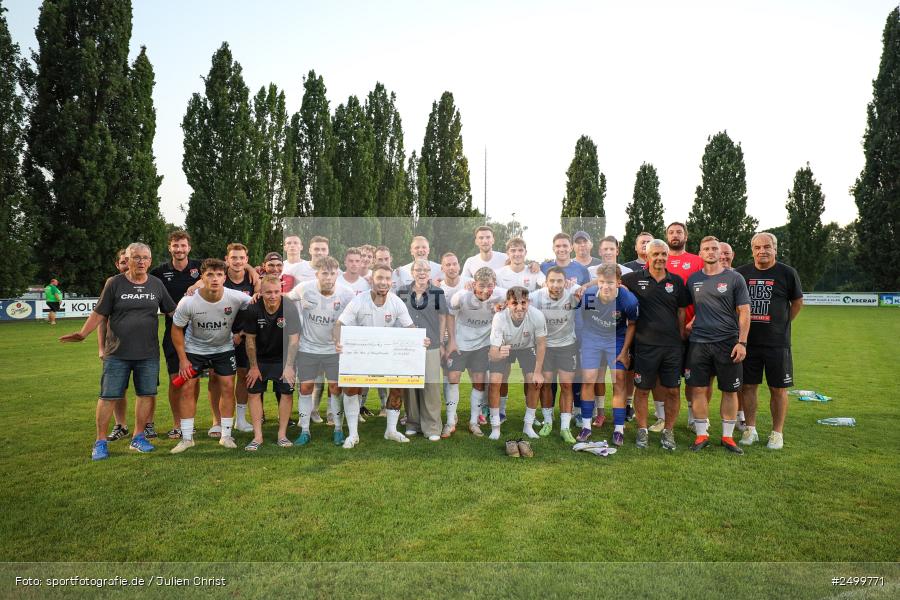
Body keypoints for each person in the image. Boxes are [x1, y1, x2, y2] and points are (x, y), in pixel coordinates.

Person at [60, 242, 176, 460]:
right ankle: (100, 442)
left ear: (150, 261)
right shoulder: (114, 283)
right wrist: (83, 333)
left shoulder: (156, 284)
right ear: (128, 260)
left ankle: (138, 437)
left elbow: (173, 312)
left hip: (148, 353)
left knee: (146, 395)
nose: (141, 261)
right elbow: (99, 314)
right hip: (117, 353)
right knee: (108, 397)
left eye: (145, 258)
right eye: (136, 257)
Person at [169, 258, 252, 454]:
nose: (215, 279)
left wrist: (240, 333)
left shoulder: (237, 297)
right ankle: (187, 439)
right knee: (187, 389)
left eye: (219, 275)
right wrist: (183, 359)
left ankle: (226, 436)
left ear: (224, 278)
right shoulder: (189, 301)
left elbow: (258, 307)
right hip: (194, 350)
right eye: (210, 275)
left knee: (228, 387)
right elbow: (176, 329)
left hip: (223, 348)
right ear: (202, 277)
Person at [336, 265, 417, 446]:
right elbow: (339, 324)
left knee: (397, 388)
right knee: (351, 389)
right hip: (361, 354)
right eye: (380, 278)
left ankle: (391, 430)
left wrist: (420, 340)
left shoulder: (396, 302)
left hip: (386, 354)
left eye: (387, 278)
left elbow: (410, 328)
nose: (384, 282)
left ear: (391, 282)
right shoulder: (359, 300)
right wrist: (337, 341)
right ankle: (353, 434)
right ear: (372, 280)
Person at [736, 232, 803, 450]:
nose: (762, 251)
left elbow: (797, 302)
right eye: (757, 247)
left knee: (778, 388)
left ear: (775, 249)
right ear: (752, 250)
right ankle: (750, 429)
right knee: (748, 386)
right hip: (748, 342)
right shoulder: (741, 273)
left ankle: (777, 433)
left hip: (777, 343)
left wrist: (782, 323)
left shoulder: (787, 273)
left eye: (767, 247)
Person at [684, 236, 751, 454]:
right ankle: (701, 434)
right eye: (707, 249)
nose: (711, 252)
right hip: (698, 343)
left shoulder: (734, 278)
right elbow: (694, 308)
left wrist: (742, 342)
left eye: (715, 248)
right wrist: (689, 325)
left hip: (727, 343)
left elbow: (744, 311)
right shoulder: (693, 280)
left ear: (720, 252)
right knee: (698, 389)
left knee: (729, 390)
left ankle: (727, 437)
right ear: (700, 254)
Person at [622, 240, 689, 450]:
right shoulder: (633, 279)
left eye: (663, 254)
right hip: (644, 346)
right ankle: (642, 430)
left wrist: (680, 335)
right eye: (656, 254)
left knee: (673, 391)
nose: (660, 258)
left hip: (671, 347)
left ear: (668, 256)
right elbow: (610, 280)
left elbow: (681, 311)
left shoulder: (676, 281)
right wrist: (585, 287)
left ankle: (668, 431)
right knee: (642, 390)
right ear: (647, 256)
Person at [286, 256, 355, 446]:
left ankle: (338, 429)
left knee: (335, 388)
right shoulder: (304, 288)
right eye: (324, 273)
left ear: (337, 274)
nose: (328, 277)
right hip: (308, 348)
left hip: (334, 350)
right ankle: (305, 431)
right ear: (317, 274)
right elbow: (285, 299)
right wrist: (261, 297)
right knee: (305, 388)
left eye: (332, 273)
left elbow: (357, 316)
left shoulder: (347, 294)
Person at [576, 264, 638, 446]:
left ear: (618, 282)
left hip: (616, 339)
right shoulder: (589, 295)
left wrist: (624, 351)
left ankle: (618, 429)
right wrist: (585, 344)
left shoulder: (628, 300)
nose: (605, 286)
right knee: (589, 379)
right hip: (592, 337)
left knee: (619, 380)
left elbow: (632, 325)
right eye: (602, 282)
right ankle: (586, 426)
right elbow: (582, 320)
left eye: (610, 282)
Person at [150, 230, 203, 440]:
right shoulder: (159, 272)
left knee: (194, 380)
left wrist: (197, 284)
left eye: (183, 245)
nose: (179, 249)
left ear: (189, 247)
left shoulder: (200, 267)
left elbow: (228, 267)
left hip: (199, 333)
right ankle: (177, 424)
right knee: (176, 380)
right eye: (175, 245)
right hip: (173, 332)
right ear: (169, 247)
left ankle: (190, 422)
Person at [446, 267, 508, 437]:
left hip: (482, 344)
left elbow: (521, 298)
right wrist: (451, 341)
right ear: (474, 284)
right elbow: (450, 316)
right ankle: (450, 421)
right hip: (460, 342)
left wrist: (506, 305)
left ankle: (474, 422)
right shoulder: (461, 296)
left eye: (490, 286)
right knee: (453, 378)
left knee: (479, 382)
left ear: (495, 284)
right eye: (481, 285)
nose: (485, 290)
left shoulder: (502, 294)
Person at [243, 275, 301, 450]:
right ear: (261, 292)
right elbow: (250, 340)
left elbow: (294, 340)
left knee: (286, 394)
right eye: (268, 292)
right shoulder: (253, 308)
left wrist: (289, 367)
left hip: (283, 358)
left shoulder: (289, 307)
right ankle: (257, 436)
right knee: (254, 394)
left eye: (276, 292)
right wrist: (254, 367)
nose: (273, 296)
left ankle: (282, 435)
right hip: (259, 358)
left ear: (281, 291)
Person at [660, 221, 704, 433]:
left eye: (679, 232)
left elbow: (707, 293)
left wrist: (693, 321)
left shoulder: (697, 261)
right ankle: (661, 417)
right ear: (667, 236)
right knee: (665, 377)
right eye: (671, 232)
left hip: (694, 329)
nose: (675, 235)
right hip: (666, 332)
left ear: (686, 236)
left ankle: (693, 418)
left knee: (693, 378)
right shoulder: (659, 259)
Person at [398, 259, 449, 441]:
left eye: (425, 270)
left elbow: (442, 318)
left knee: (430, 385)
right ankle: (413, 423)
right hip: (408, 345)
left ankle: (432, 426)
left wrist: (441, 342)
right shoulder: (402, 291)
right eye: (418, 269)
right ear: (412, 272)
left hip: (431, 344)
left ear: (430, 273)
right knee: (410, 386)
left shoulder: (437, 292)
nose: (422, 273)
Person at [530, 267, 582, 443]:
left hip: (567, 346)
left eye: (560, 281)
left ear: (565, 282)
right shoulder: (537, 296)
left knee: (567, 386)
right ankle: (548, 422)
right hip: (545, 347)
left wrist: (580, 287)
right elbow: (516, 300)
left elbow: (593, 289)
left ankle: (565, 428)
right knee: (546, 385)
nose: (556, 284)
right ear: (546, 282)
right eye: (552, 281)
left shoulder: (573, 293)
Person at [487, 287, 547, 440]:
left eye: (523, 303)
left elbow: (541, 344)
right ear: (507, 303)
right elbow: (492, 353)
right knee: (495, 382)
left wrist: (538, 372)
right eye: (515, 303)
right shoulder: (499, 317)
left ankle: (528, 425)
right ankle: (495, 426)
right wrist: (498, 354)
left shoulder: (537, 315)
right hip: (505, 347)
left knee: (534, 382)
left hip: (527, 348)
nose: (519, 307)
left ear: (529, 302)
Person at [437, 252, 471, 435]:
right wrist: (442, 341)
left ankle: (480, 413)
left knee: (475, 376)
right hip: (444, 338)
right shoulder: (437, 288)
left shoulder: (469, 283)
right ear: (442, 268)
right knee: (448, 375)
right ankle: (452, 416)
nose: (451, 267)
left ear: (459, 265)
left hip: (466, 338)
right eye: (447, 265)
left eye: (454, 264)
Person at [101, 249, 131, 442]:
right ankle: (120, 425)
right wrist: (101, 348)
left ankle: (148, 425)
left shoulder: (150, 282)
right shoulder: (112, 283)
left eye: (130, 260)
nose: (127, 265)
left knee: (147, 390)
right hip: (116, 349)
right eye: (123, 262)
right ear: (117, 265)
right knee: (117, 390)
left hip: (145, 348)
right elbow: (102, 317)